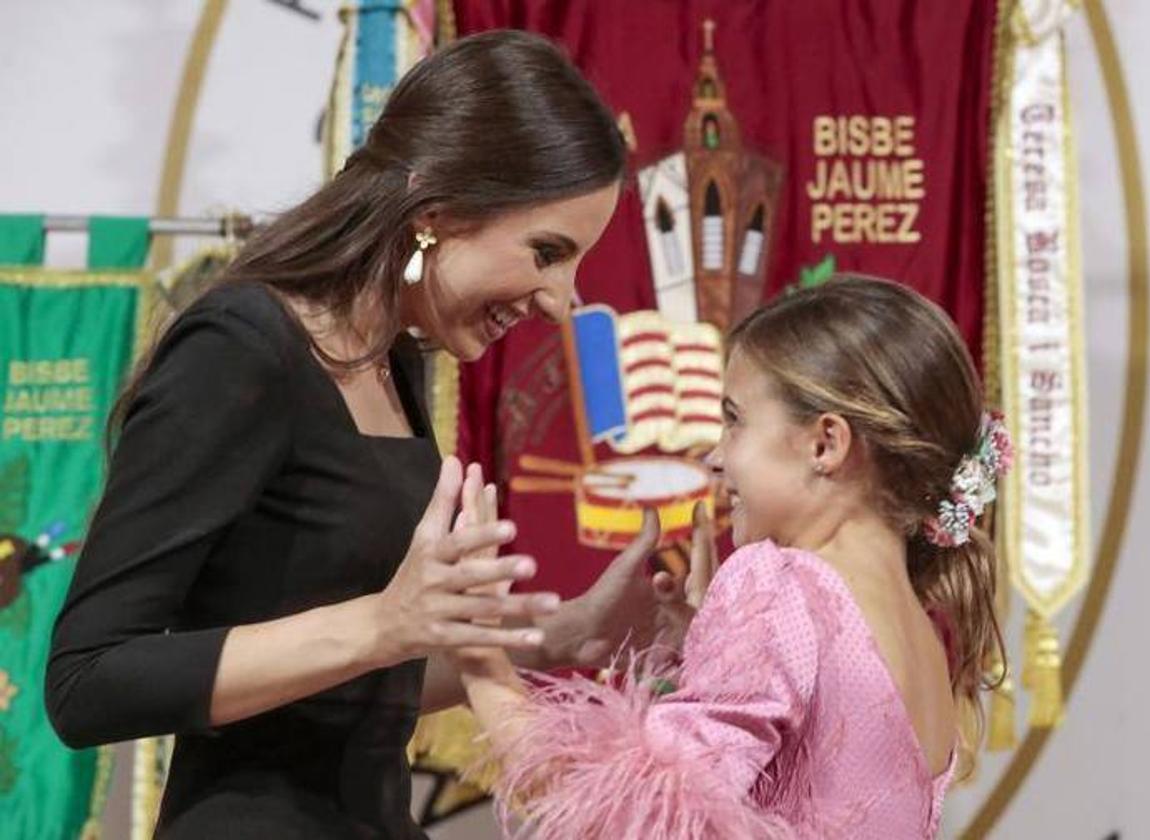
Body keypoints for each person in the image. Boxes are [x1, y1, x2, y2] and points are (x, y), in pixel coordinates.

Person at [45, 30, 697, 839]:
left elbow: (347, 687)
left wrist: (558, 636)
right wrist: (380, 624)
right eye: (547, 251)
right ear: (437, 216)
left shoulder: (396, 360)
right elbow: (89, 681)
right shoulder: (240, 348)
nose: (561, 300)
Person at [456, 274, 1014, 839]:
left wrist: (478, 655)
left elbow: (617, 821)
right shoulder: (922, 636)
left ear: (825, 444)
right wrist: (707, 653)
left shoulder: (777, 583)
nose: (715, 457)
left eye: (734, 419)